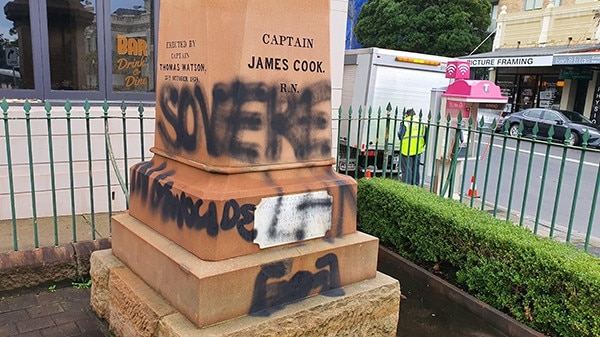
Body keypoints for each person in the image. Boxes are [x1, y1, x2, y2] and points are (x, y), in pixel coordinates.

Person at [397, 109, 427, 185]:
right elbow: (426, 135)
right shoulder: (421, 122)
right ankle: (415, 185)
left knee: (407, 169)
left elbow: (401, 135)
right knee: (415, 169)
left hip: (406, 149)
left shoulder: (406, 122)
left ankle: (407, 186)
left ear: (407, 114)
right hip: (418, 149)